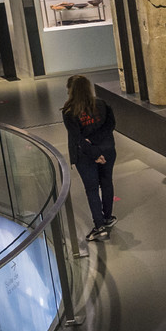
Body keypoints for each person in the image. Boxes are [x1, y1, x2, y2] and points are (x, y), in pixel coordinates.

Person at [61, 74, 118, 241]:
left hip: (85, 156)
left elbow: (78, 139)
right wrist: (99, 150)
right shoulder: (102, 104)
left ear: (71, 91)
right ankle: (107, 218)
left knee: (92, 189)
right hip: (107, 150)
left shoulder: (69, 112)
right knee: (106, 183)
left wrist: (94, 152)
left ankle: (99, 226)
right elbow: (110, 126)